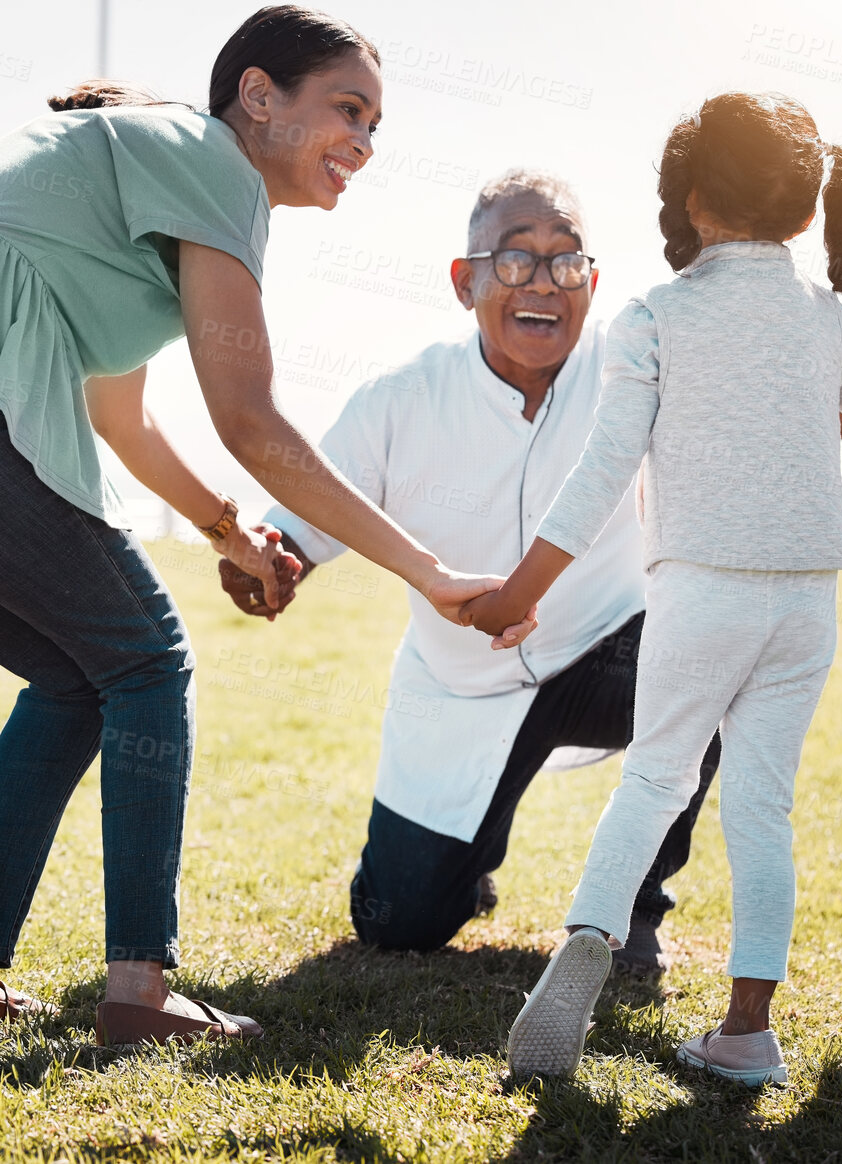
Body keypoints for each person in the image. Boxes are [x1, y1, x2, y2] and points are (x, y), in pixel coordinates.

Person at [0, 5, 531, 1047]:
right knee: (147, 660)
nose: (364, 144)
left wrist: (229, 534)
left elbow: (120, 414)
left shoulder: (138, 197)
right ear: (258, 97)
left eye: (377, 125)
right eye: (347, 110)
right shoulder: (211, 162)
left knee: (85, 668)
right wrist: (427, 571)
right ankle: (140, 988)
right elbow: (249, 419)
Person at [465, 93, 842, 1084]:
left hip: (698, 589)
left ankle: (585, 946)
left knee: (653, 783)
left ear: (692, 202)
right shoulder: (824, 317)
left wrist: (521, 587)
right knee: (761, 812)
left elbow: (603, 469)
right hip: (803, 600)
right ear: (794, 206)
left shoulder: (653, 315)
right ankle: (745, 1033)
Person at [218, 169, 720, 976]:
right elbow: (296, 529)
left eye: (567, 262)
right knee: (399, 924)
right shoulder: (399, 399)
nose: (545, 284)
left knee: (705, 662)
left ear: (592, 281)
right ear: (466, 282)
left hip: (605, 652)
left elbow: (800, 410)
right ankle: (465, 858)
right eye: (516, 259)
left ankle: (636, 910)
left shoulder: (638, 370)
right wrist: (265, 564)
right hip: (458, 689)